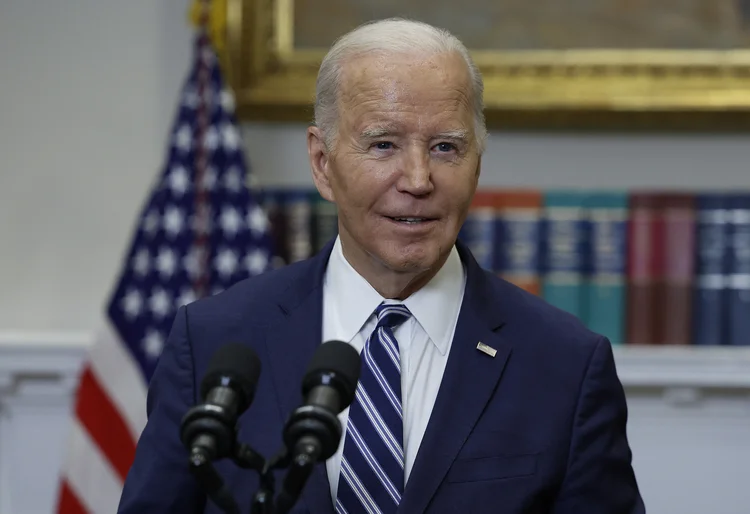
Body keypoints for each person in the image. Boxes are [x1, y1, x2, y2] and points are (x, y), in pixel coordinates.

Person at [118, 17, 645, 514]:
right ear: (323, 163)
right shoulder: (213, 341)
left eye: (445, 147)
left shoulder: (566, 364)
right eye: (384, 144)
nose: (417, 179)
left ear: (477, 164)